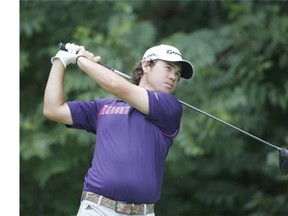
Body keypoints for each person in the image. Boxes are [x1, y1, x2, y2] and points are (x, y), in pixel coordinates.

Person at [43, 42, 194, 216]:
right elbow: (53, 109)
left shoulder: (169, 107)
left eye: (177, 73)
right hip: (97, 208)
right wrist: (60, 60)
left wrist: (80, 60)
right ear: (146, 65)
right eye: (168, 68)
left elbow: (118, 87)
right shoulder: (103, 107)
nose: (173, 76)